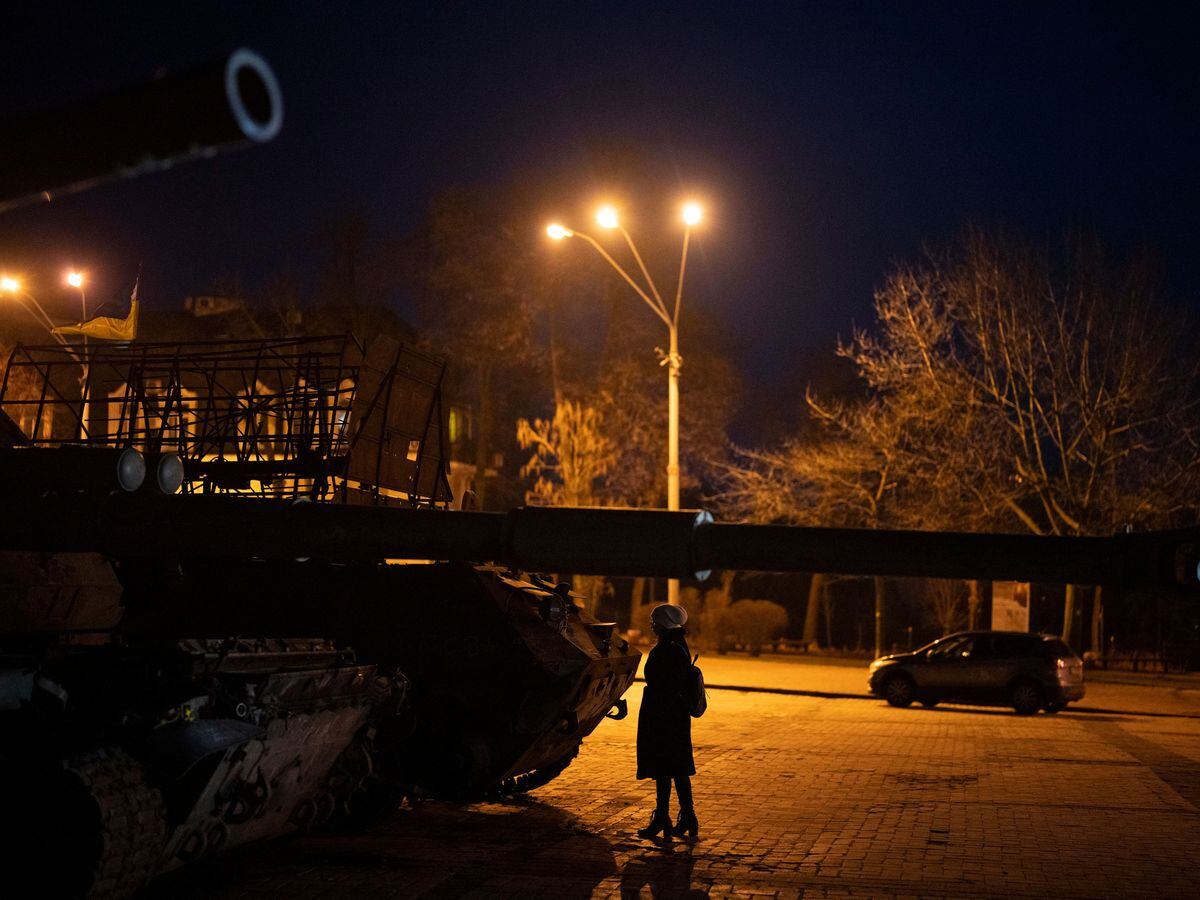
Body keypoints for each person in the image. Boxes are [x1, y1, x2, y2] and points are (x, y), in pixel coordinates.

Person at [636, 602, 698, 840]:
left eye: (655, 621)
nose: (651, 625)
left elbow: (666, 685)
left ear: (664, 624)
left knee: (667, 768)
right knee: (674, 769)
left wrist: (659, 711)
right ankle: (684, 818)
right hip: (673, 716)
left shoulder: (668, 649)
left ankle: (668, 817)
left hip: (665, 717)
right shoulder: (677, 646)